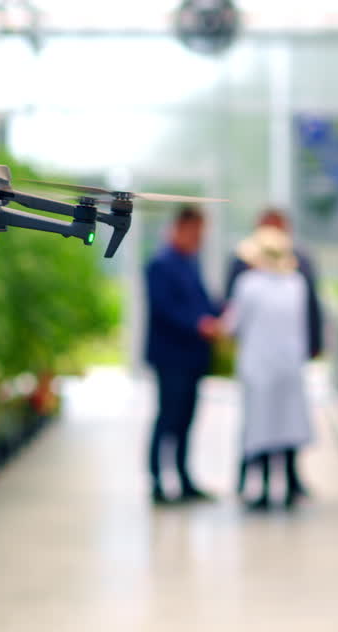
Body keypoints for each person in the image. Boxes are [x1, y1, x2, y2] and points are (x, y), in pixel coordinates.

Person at [225, 209, 322, 497]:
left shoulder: (252, 283)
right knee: (279, 422)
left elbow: (233, 323)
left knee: (263, 424)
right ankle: (262, 483)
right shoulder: (294, 283)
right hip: (283, 364)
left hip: (262, 364)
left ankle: (270, 485)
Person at [145, 205, 220, 505]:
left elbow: (203, 302)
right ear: (181, 227)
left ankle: (184, 478)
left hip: (193, 355)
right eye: (196, 231)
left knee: (187, 418)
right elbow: (165, 309)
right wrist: (198, 324)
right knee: (168, 418)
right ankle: (157, 481)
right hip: (171, 356)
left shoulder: (190, 262)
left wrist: (221, 314)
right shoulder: (161, 263)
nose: (200, 238)